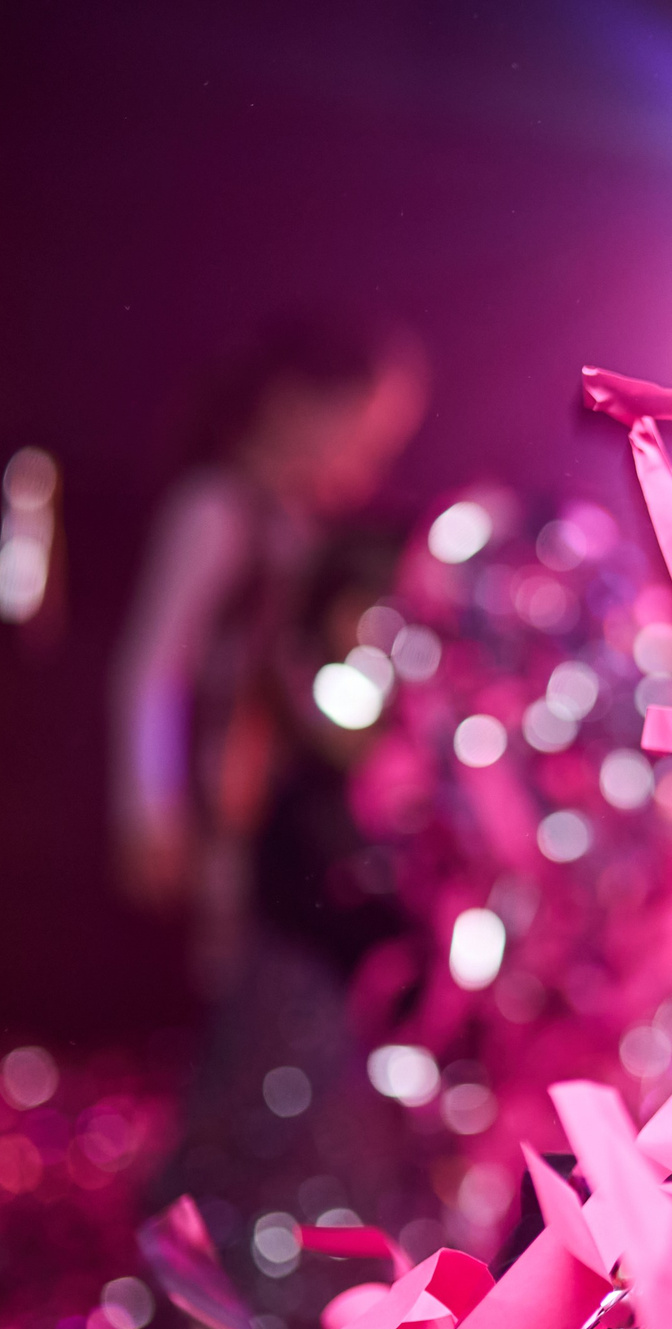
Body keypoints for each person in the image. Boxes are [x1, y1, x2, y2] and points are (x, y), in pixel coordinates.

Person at [111, 314, 426, 979]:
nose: (370, 464)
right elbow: (154, 665)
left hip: (267, 809)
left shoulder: (304, 528)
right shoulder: (216, 510)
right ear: (291, 406)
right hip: (215, 797)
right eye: (361, 434)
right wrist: (149, 805)